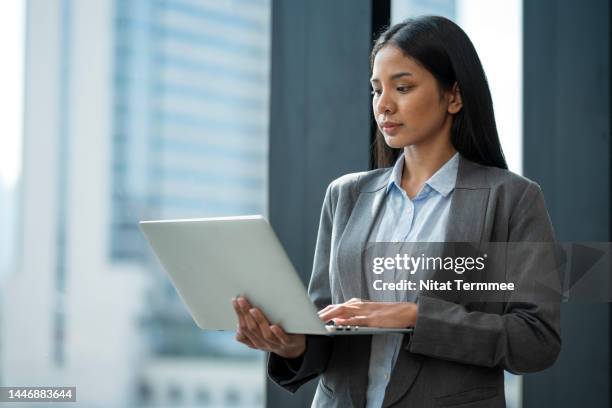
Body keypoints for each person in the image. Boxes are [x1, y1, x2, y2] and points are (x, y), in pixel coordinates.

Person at [232, 15, 561, 407]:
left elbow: (535, 340)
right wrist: (293, 345)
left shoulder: (511, 199)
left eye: (402, 87)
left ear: (454, 96)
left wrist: (415, 317)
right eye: (375, 90)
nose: (383, 105)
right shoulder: (345, 195)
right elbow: (327, 321)